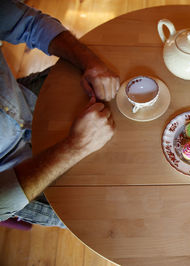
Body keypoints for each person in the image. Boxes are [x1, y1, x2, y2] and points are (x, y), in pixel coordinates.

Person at [0, 0, 120, 226]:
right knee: (111, 215)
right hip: (17, 178)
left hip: (20, 100)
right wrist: (77, 146)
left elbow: (30, 23)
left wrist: (90, 63)